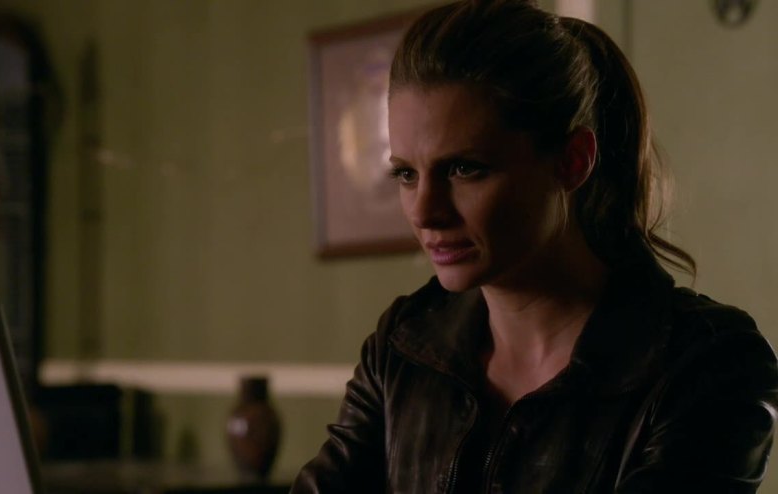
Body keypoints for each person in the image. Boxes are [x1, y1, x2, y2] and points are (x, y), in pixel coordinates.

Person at [292, 0, 778, 492]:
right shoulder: (405, 345)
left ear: (572, 161)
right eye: (406, 174)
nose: (424, 212)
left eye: (464, 168)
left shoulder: (707, 365)